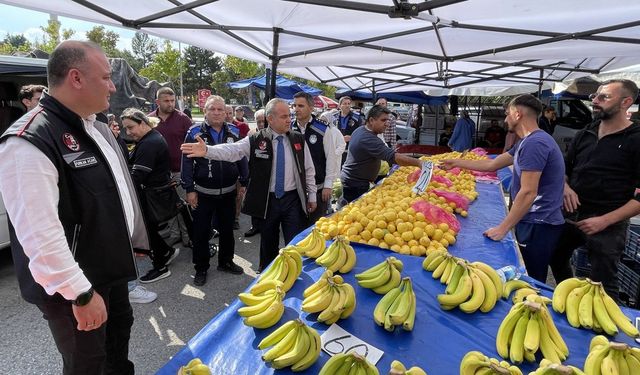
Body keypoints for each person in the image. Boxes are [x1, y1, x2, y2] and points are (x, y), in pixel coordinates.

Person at [0, 40, 149, 374]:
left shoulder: (91, 125)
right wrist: (80, 294)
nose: (113, 86)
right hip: (74, 288)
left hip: (108, 270)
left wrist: (132, 239)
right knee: (88, 364)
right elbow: (39, 235)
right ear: (76, 78)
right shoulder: (29, 140)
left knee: (116, 347)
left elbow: (114, 190)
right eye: (106, 77)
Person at [181, 98, 317, 272]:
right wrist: (208, 151)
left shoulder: (298, 139)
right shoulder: (255, 139)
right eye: (284, 116)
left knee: (294, 241)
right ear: (270, 118)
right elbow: (232, 151)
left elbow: (308, 169)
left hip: (292, 199)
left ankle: (295, 273)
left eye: (289, 116)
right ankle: (268, 273)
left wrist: (311, 195)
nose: (288, 119)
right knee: (268, 241)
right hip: (268, 200)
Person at [441, 94, 565, 282]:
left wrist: (503, 228)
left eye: (507, 114)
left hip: (539, 222)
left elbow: (528, 191)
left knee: (532, 279)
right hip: (533, 220)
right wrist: (456, 162)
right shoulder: (527, 141)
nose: (505, 119)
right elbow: (493, 165)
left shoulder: (535, 143)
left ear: (517, 114)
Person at [550, 79, 640, 300]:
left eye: (604, 97)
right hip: (572, 215)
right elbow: (564, 170)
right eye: (595, 96)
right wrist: (565, 187)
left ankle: (608, 331)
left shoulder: (636, 139)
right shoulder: (585, 133)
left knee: (603, 283)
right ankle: (570, 297)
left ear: (626, 102)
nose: (595, 101)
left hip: (608, 223)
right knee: (556, 256)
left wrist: (605, 220)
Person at [182, 95, 249, 285]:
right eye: (213, 109)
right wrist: (189, 189)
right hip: (203, 193)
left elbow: (241, 156)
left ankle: (226, 262)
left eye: (221, 109)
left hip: (228, 192)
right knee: (201, 232)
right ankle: (201, 268)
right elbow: (186, 162)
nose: (217, 113)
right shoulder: (194, 132)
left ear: (226, 112)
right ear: (205, 111)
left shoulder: (235, 131)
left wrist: (244, 181)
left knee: (227, 230)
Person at [121, 108, 180, 283]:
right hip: (154, 193)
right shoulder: (151, 137)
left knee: (148, 231)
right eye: (126, 128)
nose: (128, 132)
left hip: (152, 196)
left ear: (143, 123)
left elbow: (138, 176)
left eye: (131, 127)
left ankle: (161, 267)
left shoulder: (149, 143)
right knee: (151, 230)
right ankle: (167, 252)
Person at [340, 105, 424, 205]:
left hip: (352, 180)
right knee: (353, 212)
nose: (387, 124)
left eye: (387, 120)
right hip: (355, 184)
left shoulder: (361, 130)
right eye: (383, 120)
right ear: (371, 120)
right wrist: (419, 162)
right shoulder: (368, 139)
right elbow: (394, 157)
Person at [149, 87, 193, 247]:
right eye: (166, 101)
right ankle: (175, 234)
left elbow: (194, 141)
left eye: (172, 100)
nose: (170, 104)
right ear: (157, 102)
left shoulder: (183, 119)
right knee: (168, 206)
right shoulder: (149, 120)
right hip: (159, 173)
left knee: (183, 206)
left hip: (180, 170)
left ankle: (188, 235)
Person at [292, 91, 340, 224]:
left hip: (319, 188)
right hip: (295, 190)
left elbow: (331, 158)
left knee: (316, 227)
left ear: (311, 107)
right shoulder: (289, 128)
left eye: (300, 106)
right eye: (294, 105)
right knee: (297, 229)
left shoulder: (323, 129)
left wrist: (328, 185)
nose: (296, 109)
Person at [336, 96, 363, 163]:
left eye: (349, 103)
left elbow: (362, 133)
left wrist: (351, 137)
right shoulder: (334, 117)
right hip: (337, 149)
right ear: (339, 106)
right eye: (345, 103)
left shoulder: (356, 118)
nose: (347, 105)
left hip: (351, 150)